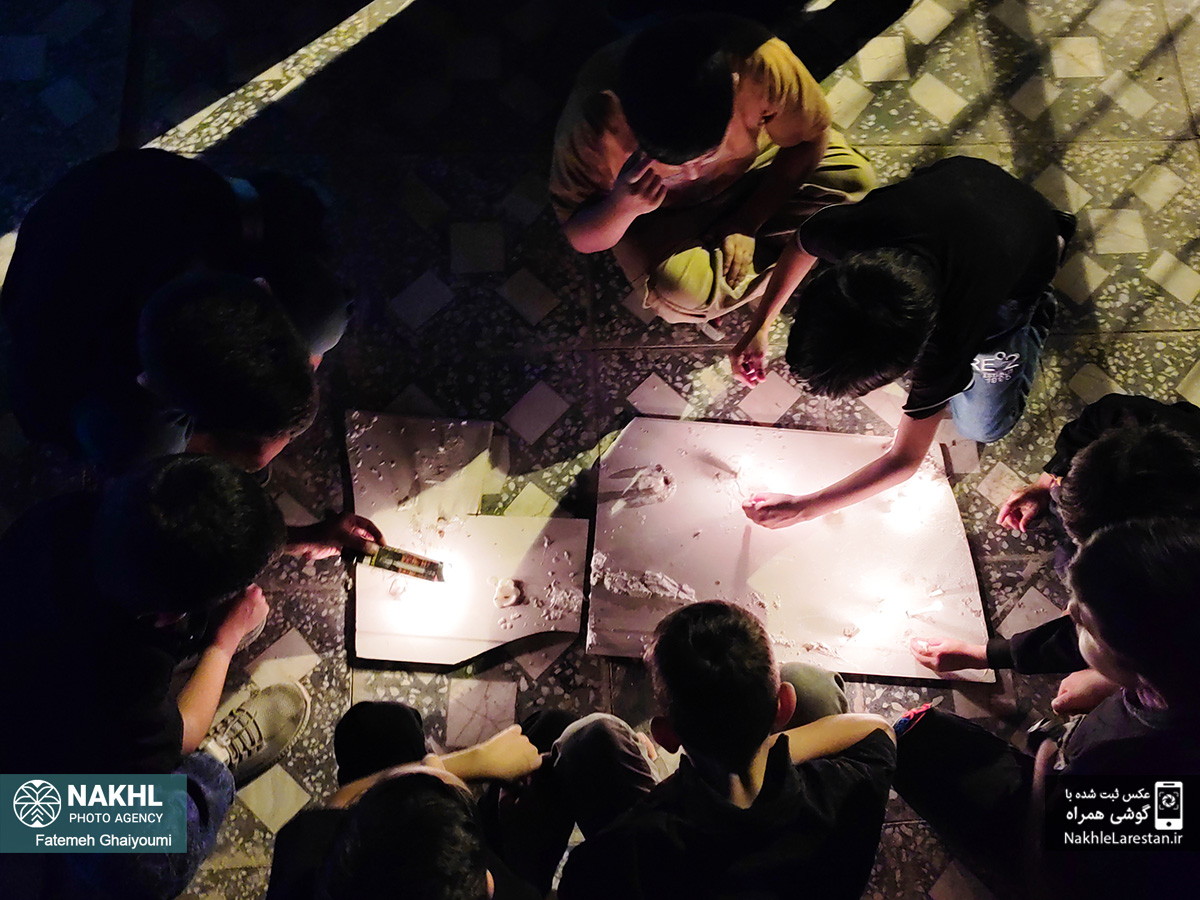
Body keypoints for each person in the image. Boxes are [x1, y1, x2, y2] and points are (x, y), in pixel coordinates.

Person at [732, 156, 1073, 527]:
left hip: (1025, 247)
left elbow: (905, 459)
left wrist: (806, 507)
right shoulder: (848, 232)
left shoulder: (951, 337)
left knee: (984, 427)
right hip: (965, 183)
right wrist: (759, 326)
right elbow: (801, 246)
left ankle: (1041, 294)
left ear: (916, 356)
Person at [893, 518, 1200, 898]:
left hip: (1077, 836)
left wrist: (1049, 778)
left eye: (1083, 625)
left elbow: (1060, 855)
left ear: (1135, 661)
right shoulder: (1178, 638)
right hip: (1091, 764)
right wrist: (988, 654)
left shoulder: (1155, 795)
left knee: (911, 744)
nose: (1069, 613)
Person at [1, 148, 347, 473]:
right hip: (74, 277)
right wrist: (223, 449)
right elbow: (38, 415)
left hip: (129, 192)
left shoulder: (218, 217)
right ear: (152, 385)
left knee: (324, 317)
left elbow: (281, 207)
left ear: (260, 287)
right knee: (140, 444)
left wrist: (291, 389)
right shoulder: (54, 344)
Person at [557, 601, 896, 900]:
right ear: (784, 706)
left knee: (590, 739)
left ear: (665, 737)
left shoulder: (612, 860)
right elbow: (878, 729)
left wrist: (670, 785)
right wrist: (761, 751)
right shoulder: (850, 789)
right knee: (810, 682)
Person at [550, 13, 875, 323]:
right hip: (661, 218)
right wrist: (621, 207)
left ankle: (784, 255)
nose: (692, 174)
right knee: (681, 294)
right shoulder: (593, 117)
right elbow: (580, 235)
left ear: (734, 84)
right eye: (672, 163)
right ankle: (803, 252)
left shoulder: (759, 62)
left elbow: (810, 138)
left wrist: (749, 220)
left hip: (757, 174)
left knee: (853, 182)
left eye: (706, 155)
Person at [911, 399, 1200, 714]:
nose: (1072, 610)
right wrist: (1047, 482)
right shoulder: (1131, 422)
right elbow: (1087, 429)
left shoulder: (1171, 595)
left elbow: (1123, 630)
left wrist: (986, 655)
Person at [265, 701, 654, 900]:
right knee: (554, 729)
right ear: (487, 884)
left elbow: (344, 800)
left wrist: (468, 764)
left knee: (376, 727)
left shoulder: (310, 864)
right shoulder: (501, 889)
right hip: (519, 882)